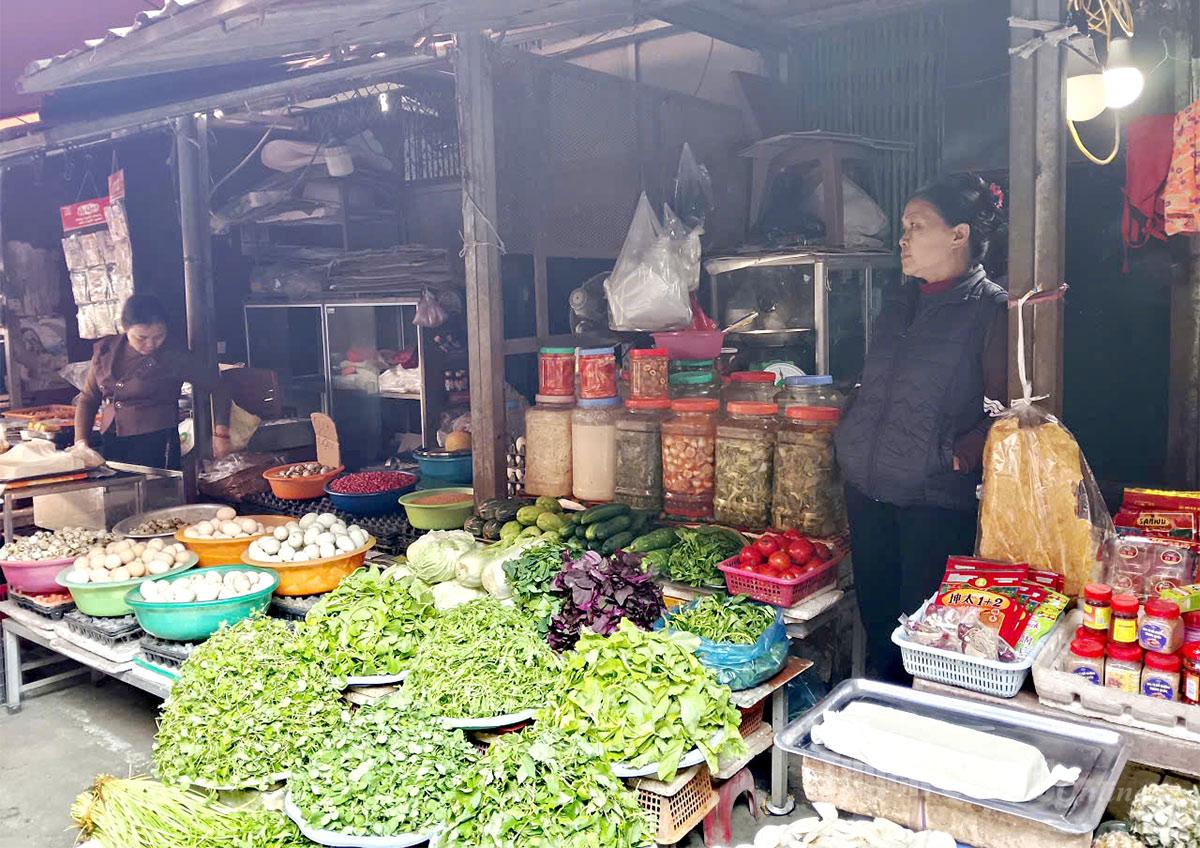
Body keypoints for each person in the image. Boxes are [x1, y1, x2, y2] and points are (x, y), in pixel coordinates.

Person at [833, 173, 1009, 683]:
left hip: (933, 500)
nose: (902, 239)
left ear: (958, 235)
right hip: (869, 488)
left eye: (915, 226)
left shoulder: (990, 309)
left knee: (924, 639)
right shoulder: (898, 302)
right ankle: (871, 727)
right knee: (879, 624)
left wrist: (969, 447)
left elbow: (1011, 410)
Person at [74, 294, 231, 469]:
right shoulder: (106, 350)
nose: (150, 344)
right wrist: (81, 442)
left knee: (159, 494)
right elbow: (88, 399)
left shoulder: (174, 355)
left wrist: (221, 433)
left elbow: (218, 387)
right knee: (120, 493)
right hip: (112, 438)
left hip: (158, 442)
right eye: (141, 338)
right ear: (125, 329)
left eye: (158, 336)